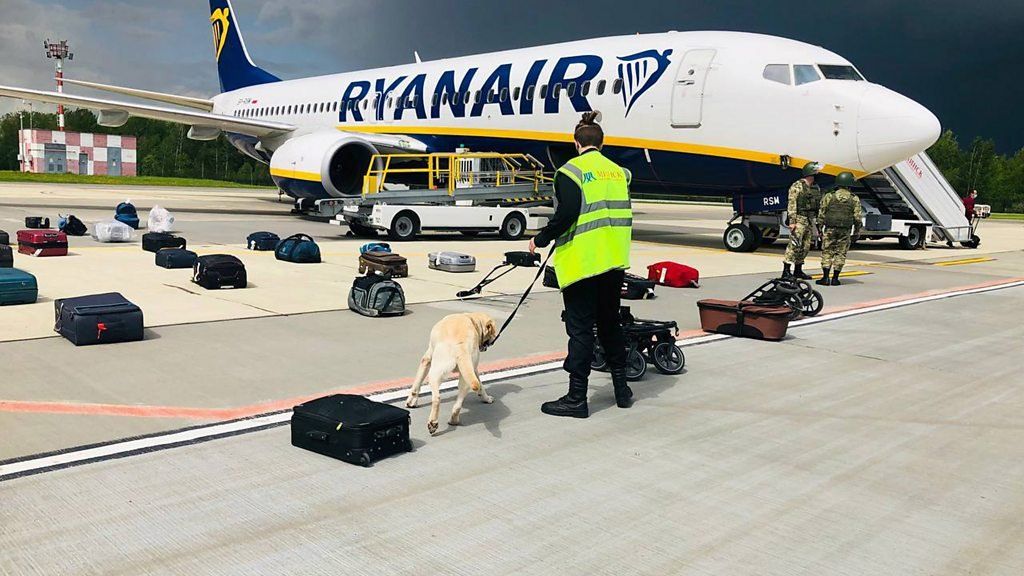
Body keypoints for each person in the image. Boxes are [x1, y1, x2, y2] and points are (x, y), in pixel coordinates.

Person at [529, 111, 633, 419]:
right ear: (601, 143)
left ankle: (577, 397)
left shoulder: (570, 172)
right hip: (614, 261)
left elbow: (567, 214)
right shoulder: (619, 173)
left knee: (581, 331)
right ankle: (622, 389)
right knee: (610, 324)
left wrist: (542, 238)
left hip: (583, 264)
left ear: (576, 143)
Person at [817, 172, 863, 286]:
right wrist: (857, 231)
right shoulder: (854, 199)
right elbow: (857, 218)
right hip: (845, 230)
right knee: (841, 253)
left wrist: (819, 228)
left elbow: (821, 214)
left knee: (827, 251)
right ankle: (835, 278)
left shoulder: (829, 196)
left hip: (830, 229)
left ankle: (825, 277)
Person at [782, 162, 822, 280]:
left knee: (805, 246)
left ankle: (798, 270)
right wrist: (792, 221)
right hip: (799, 219)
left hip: (809, 220)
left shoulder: (815, 187)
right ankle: (786, 271)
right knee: (794, 245)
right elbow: (792, 204)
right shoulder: (797, 186)